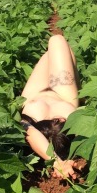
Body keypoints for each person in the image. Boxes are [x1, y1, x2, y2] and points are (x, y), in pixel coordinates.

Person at [20, 34, 81, 179]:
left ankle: (71, 65)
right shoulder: (76, 127)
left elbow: (31, 134)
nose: (57, 119)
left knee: (54, 51)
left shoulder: (28, 125)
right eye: (61, 122)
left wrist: (55, 161)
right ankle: (79, 89)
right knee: (58, 41)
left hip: (34, 92)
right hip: (63, 93)